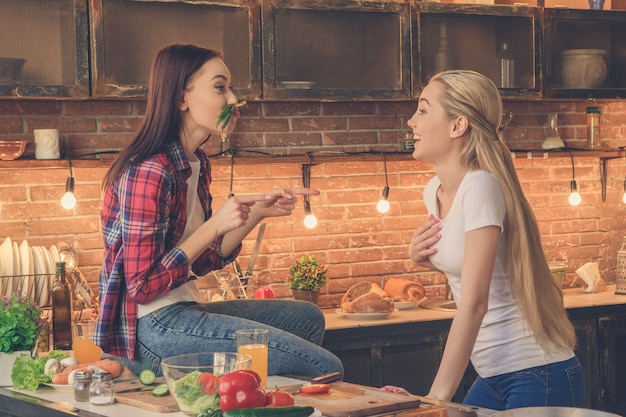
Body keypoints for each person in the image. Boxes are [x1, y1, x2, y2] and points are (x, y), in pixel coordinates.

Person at [93, 43, 343, 379]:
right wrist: (213, 226)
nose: (232, 100)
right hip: (150, 327)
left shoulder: (195, 162)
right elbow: (141, 286)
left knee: (306, 318)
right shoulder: (150, 172)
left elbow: (204, 260)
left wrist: (256, 213)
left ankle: (253, 403)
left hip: (181, 310)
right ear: (181, 98)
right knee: (325, 367)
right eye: (220, 87)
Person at [405, 70, 584, 410]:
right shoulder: (435, 192)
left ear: (458, 126)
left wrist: (435, 399)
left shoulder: (480, 186)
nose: (412, 121)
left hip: (537, 374)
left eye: (423, 110)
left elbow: (475, 302)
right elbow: (475, 268)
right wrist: (424, 258)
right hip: (492, 377)